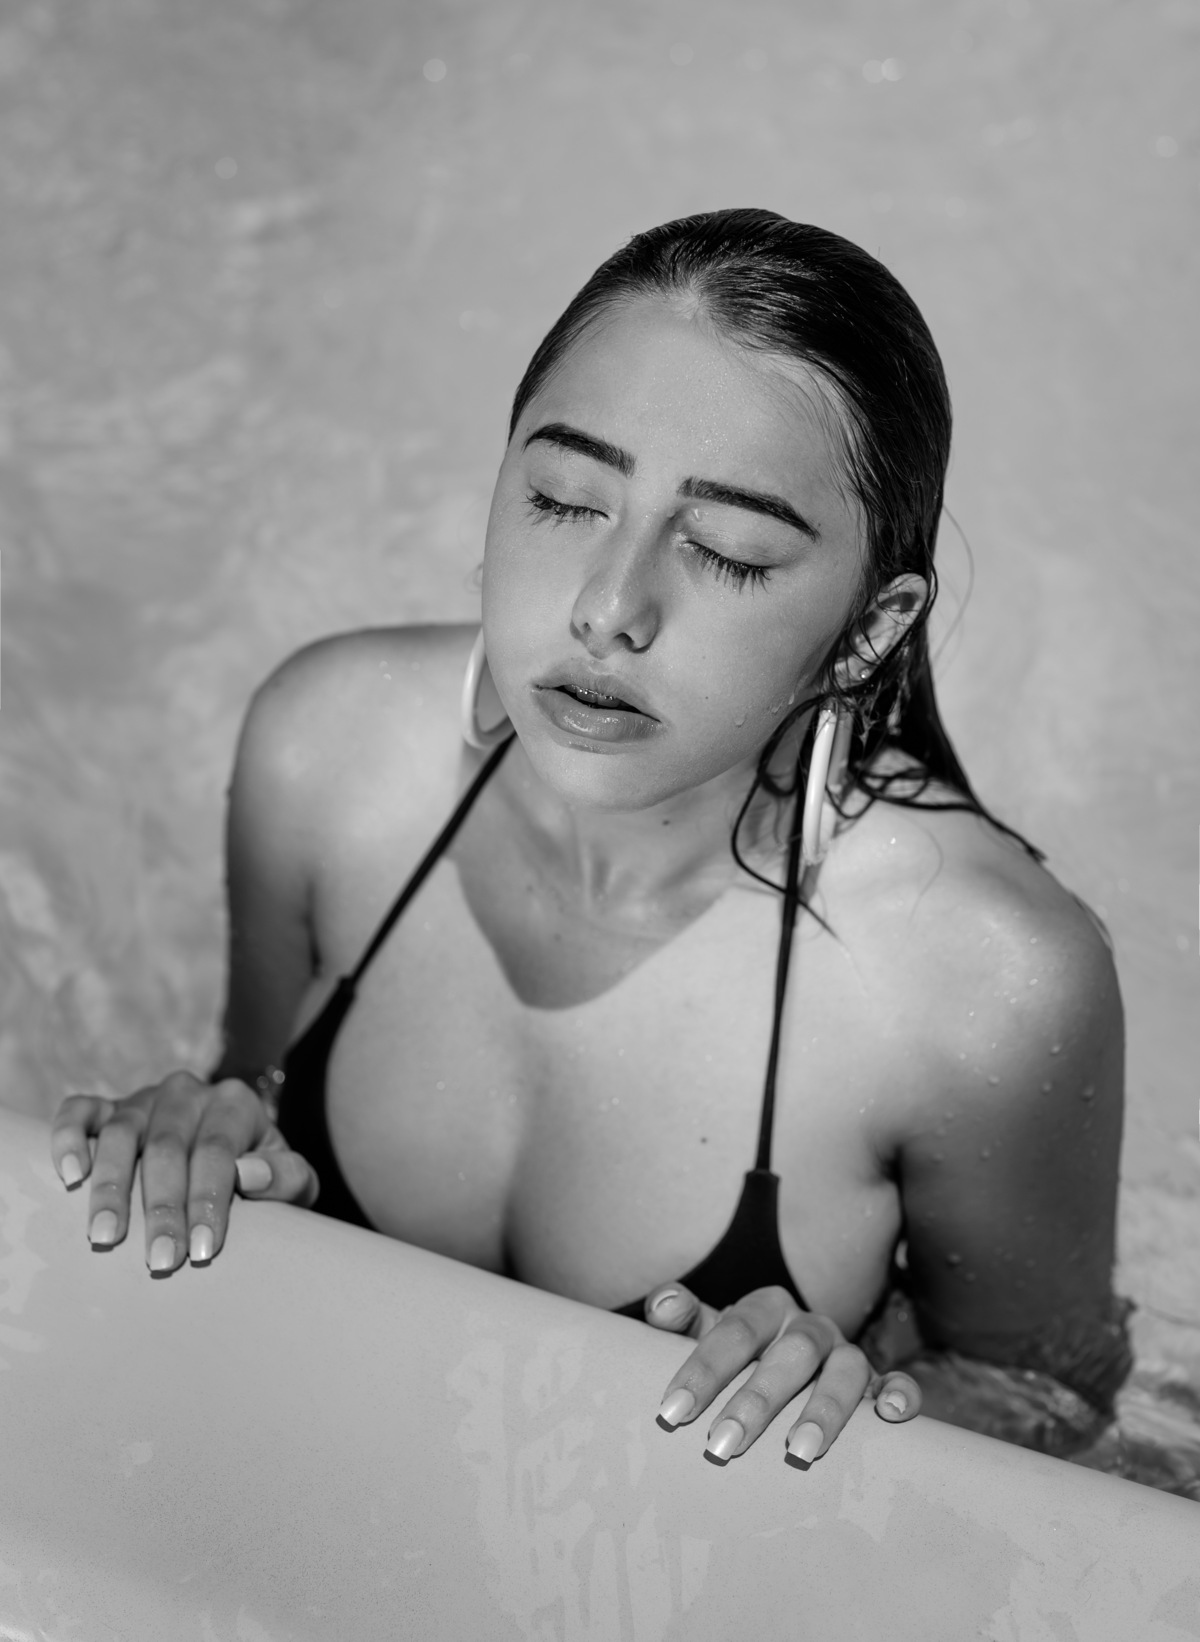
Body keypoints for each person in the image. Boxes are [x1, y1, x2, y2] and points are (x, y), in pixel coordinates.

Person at [50, 210, 1131, 1470]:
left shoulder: (982, 982)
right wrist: (205, 1145)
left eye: (728, 554)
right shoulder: (326, 758)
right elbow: (248, 1095)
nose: (610, 609)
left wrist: (865, 1391)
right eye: (564, 500)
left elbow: (1049, 1394)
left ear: (867, 630)